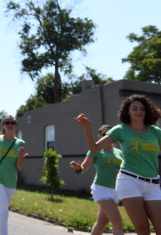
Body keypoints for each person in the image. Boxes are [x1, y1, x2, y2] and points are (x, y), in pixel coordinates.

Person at [75, 94, 161, 235]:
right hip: (130, 181)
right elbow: (95, 148)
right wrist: (87, 129)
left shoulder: (155, 132)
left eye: (142, 109)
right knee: (143, 230)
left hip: (153, 184)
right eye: (134, 109)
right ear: (128, 111)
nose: (139, 112)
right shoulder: (121, 130)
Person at [69, 124, 124, 235]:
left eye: (109, 133)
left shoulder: (119, 152)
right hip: (101, 188)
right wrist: (79, 168)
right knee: (117, 222)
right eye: (104, 134)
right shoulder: (96, 150)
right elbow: (83, 167)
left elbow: (125, 168)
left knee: (101, 223)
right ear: (100, 136)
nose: (107, 135)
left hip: (116, 190)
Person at [0, 116, 28, 235]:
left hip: (11, 180)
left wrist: (20, 158)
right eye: (7, 122)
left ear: (15, 125)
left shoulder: (20, 143)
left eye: (12, 123)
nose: (10, 125)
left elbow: (19, 167)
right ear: (3, 125)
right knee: (4, 211)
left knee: (1, 210)